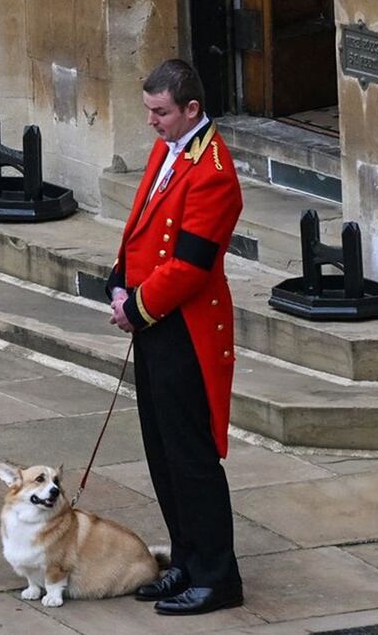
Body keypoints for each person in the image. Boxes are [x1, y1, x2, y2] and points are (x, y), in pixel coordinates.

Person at [105, 58, 244, 616]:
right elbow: (140, 226)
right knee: (161, 451)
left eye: (160, 112)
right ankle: (186, 559)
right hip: (155, 323)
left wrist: (135, 307)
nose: (151, 122)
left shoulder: (212, 168)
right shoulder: (169, 150)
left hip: (185, 329)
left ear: (191, 109)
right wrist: (119, 282)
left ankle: (218, 575)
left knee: (191, 457)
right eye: (148, 111)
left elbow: (190, 266)